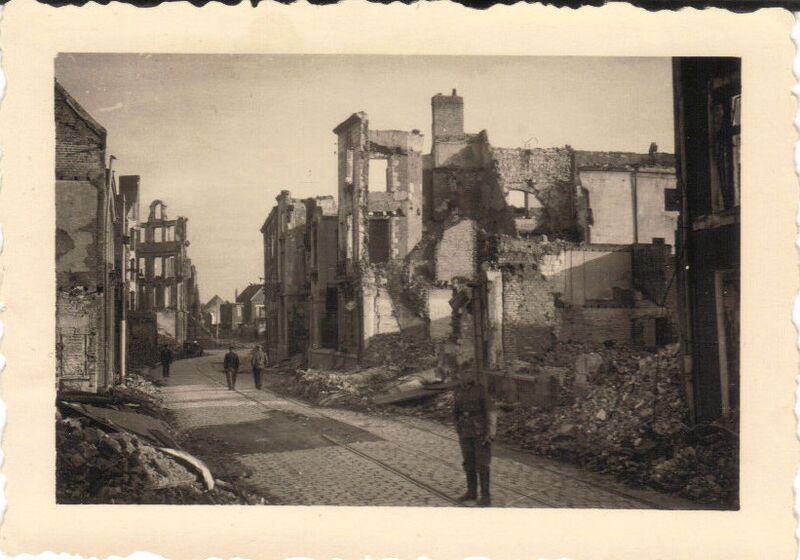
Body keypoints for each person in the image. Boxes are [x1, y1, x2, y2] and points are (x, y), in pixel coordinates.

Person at [453, 366, 497, 507]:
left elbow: (490, 412)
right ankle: (471, 492)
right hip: (465, 432)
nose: (467, 375)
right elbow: (455, 412)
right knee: (468, 463)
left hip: (480, 432)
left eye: (469, 372)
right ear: (460, 374)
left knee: (482, 464)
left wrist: (490, 433)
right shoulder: (458, 391)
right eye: (464, 372)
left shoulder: (480, 390)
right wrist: (458, 427)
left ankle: (485, 496)